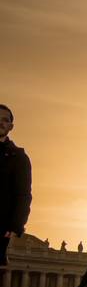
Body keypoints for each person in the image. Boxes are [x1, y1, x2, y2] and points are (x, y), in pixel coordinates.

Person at [0, 105, 32, 268]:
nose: (1, 123)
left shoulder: (19, 157)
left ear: (11, 126)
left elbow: (23, 195)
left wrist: (15, 226)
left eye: (5, 120)